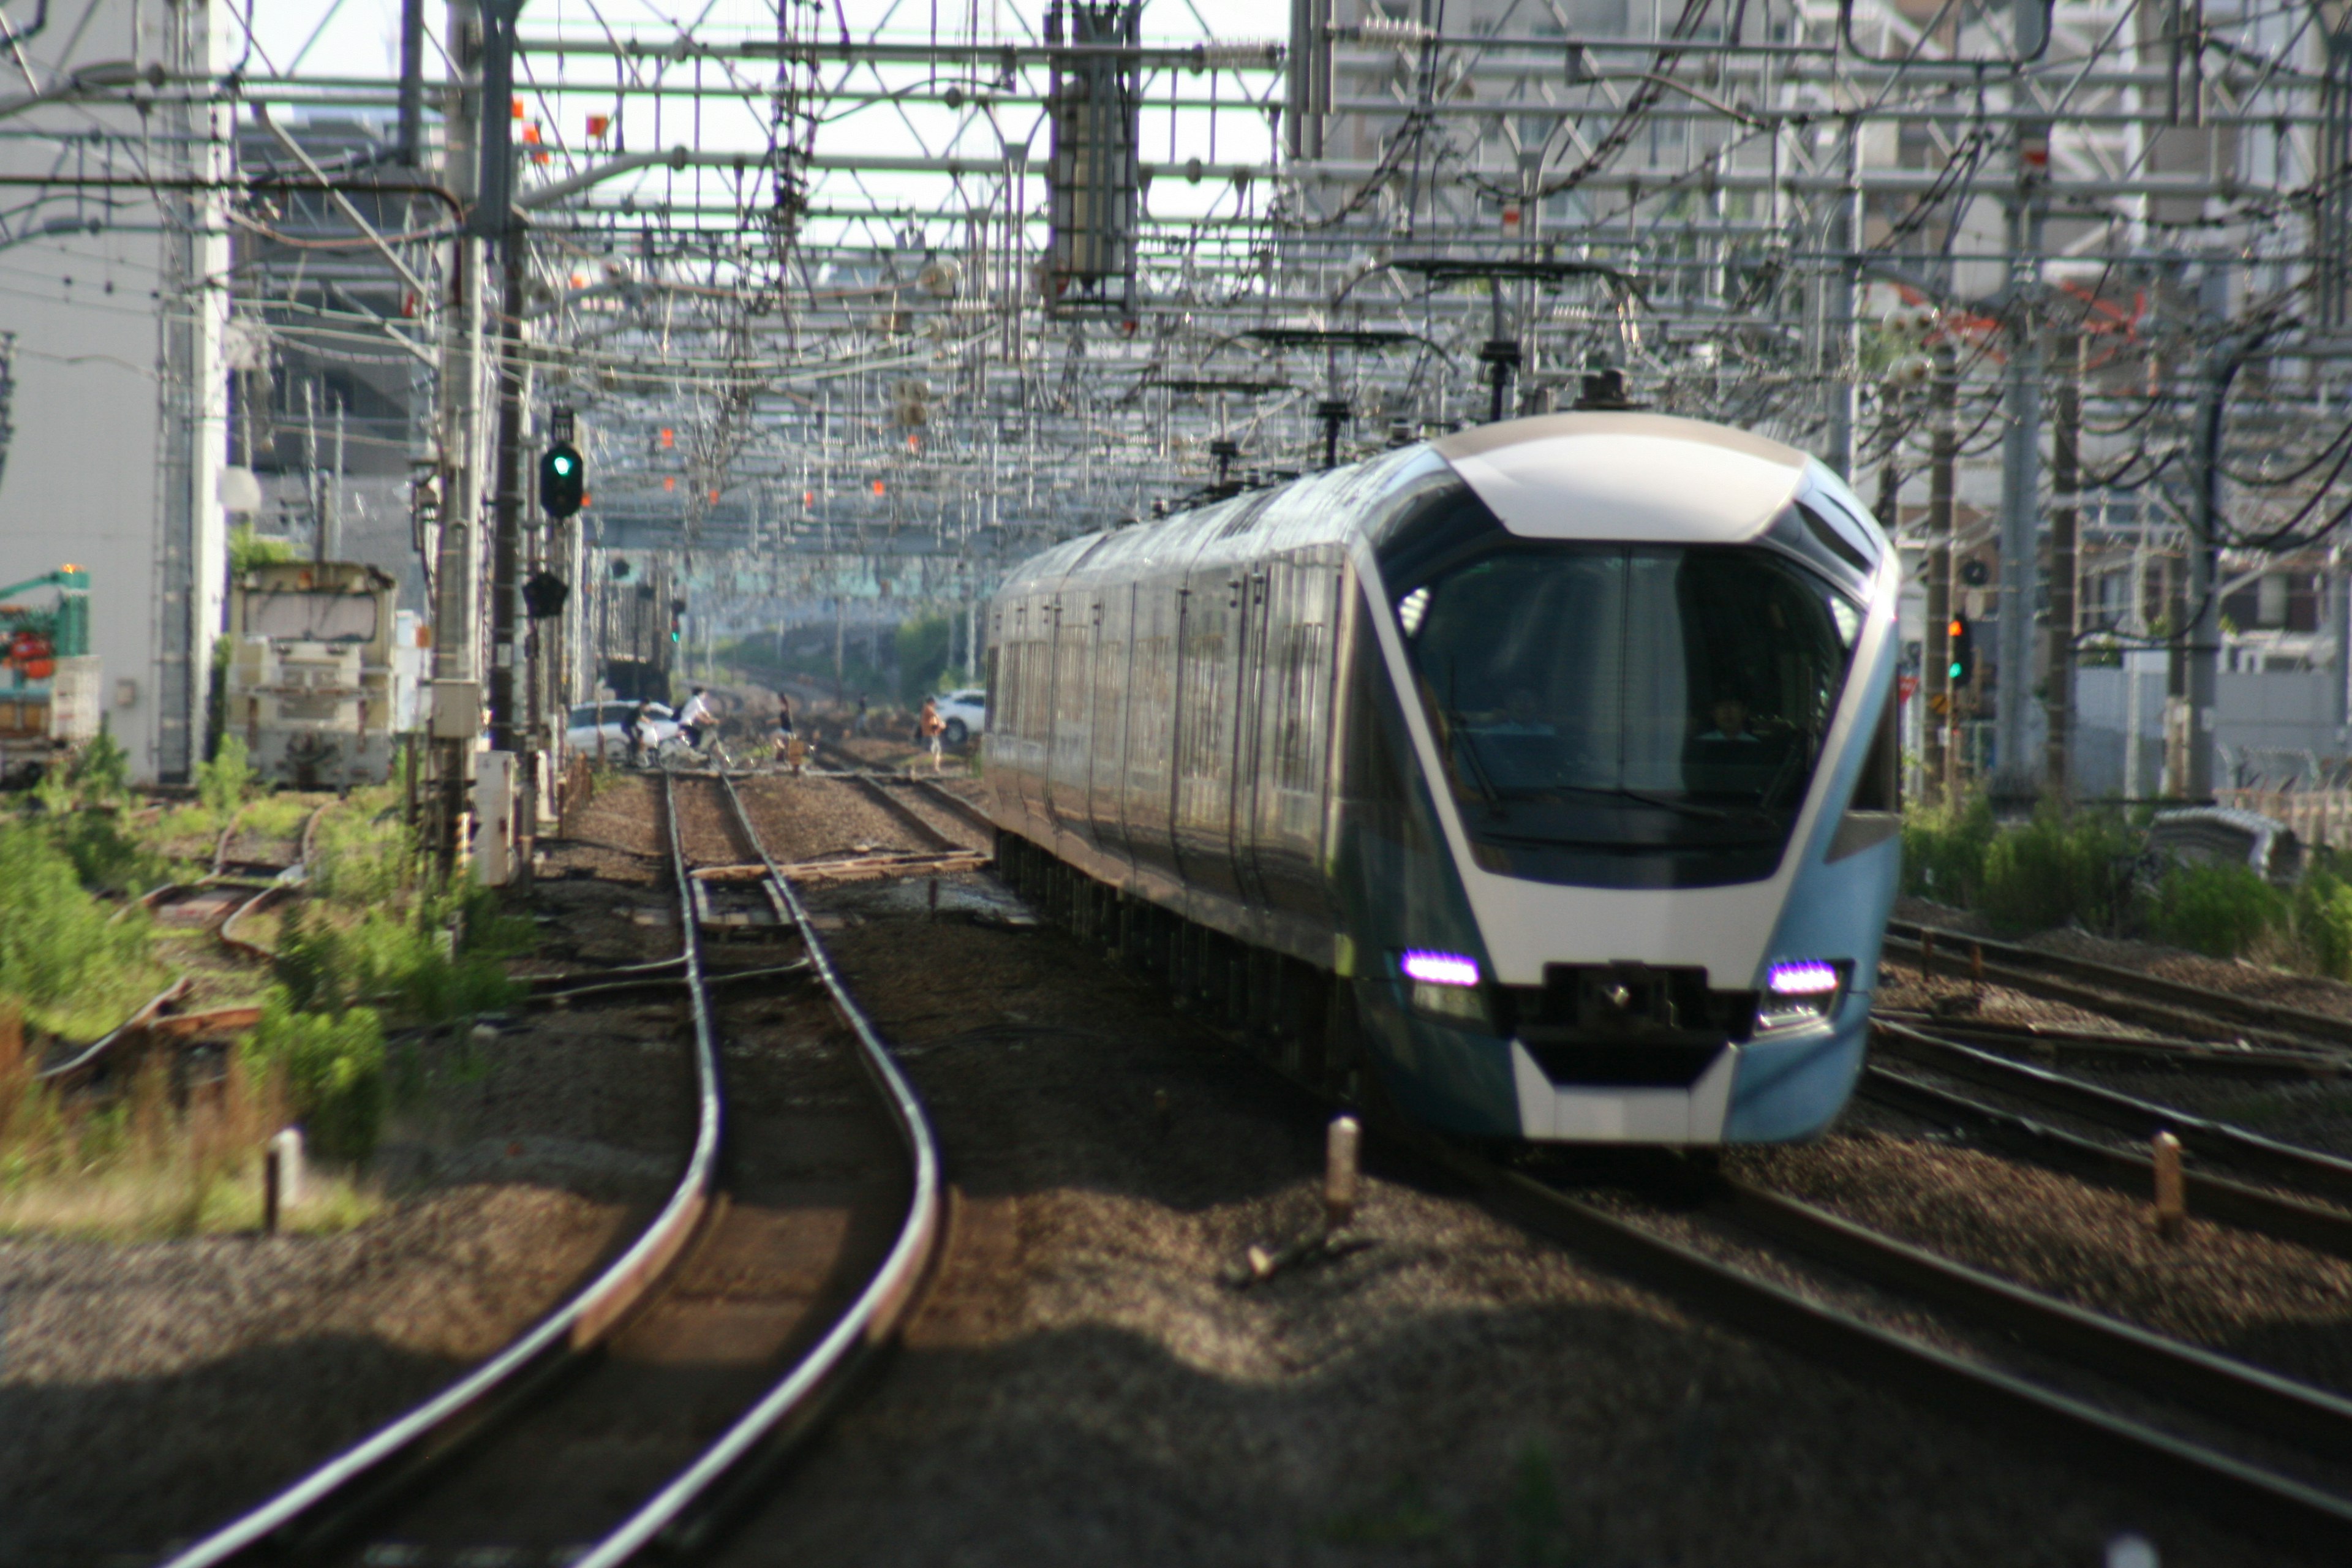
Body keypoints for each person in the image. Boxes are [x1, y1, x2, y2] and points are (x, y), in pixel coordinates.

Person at [678, 686, 714, 751]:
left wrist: (705, 720)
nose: (704, 696)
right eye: (704, 694)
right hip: (685, 723)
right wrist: (710, 717)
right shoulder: (696, 700)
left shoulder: (692, 700)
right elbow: (703, 711)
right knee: (698, 733)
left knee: (695, 733)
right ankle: (693, 751)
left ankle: (692, 748)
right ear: (700, 694)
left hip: (684, 722)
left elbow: (697, 715)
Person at [919, 695, 946, 772]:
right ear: (932, 702)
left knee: (937, 751)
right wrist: (941, 723)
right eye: (935, 703)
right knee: (928, 752)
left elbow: (935, 720)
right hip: (929, 734)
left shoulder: (930, 709)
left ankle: (936, 768)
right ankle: (914, 766)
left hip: (934, 734)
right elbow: (935, 716)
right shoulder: (928, 708)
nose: (936, 704)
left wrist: (940, 725)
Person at [630, 701, 660, 767]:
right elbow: (641, 718)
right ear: (644, 705)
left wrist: (650, 721)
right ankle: (635, 757)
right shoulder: (637, 711)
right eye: (647, 706)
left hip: (635, 726)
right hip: (629, 727)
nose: (648, 708)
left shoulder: (640, 710)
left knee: (641, 739)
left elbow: (643, 718)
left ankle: (639, 753)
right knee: (637, 741)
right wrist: (650, 722)